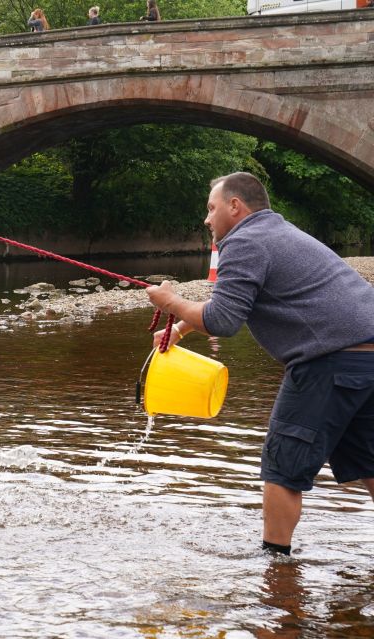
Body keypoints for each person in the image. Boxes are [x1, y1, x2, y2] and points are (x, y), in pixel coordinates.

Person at [146, 172, 374, 555]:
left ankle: (276, 570)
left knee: (283, 469)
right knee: (369, 461)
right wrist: (182, 328)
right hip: (366, 359)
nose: (207, 219)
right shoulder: (275, 233)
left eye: (211, 208)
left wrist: (169, 302)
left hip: (328, 362)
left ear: (235, 206)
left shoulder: (245, 241)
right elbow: (235, 300)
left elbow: (223, 321)